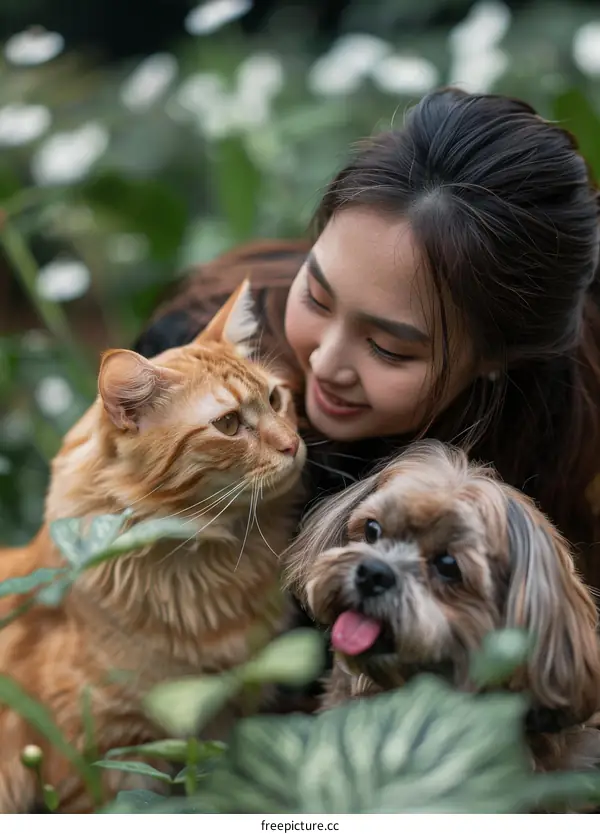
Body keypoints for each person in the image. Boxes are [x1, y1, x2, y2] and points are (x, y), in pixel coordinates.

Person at [134, 86, 600, 601]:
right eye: (315, 296)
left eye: (389, 348)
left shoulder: (562, 447)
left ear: (496, 356)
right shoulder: (195, 357)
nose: (325, 363)